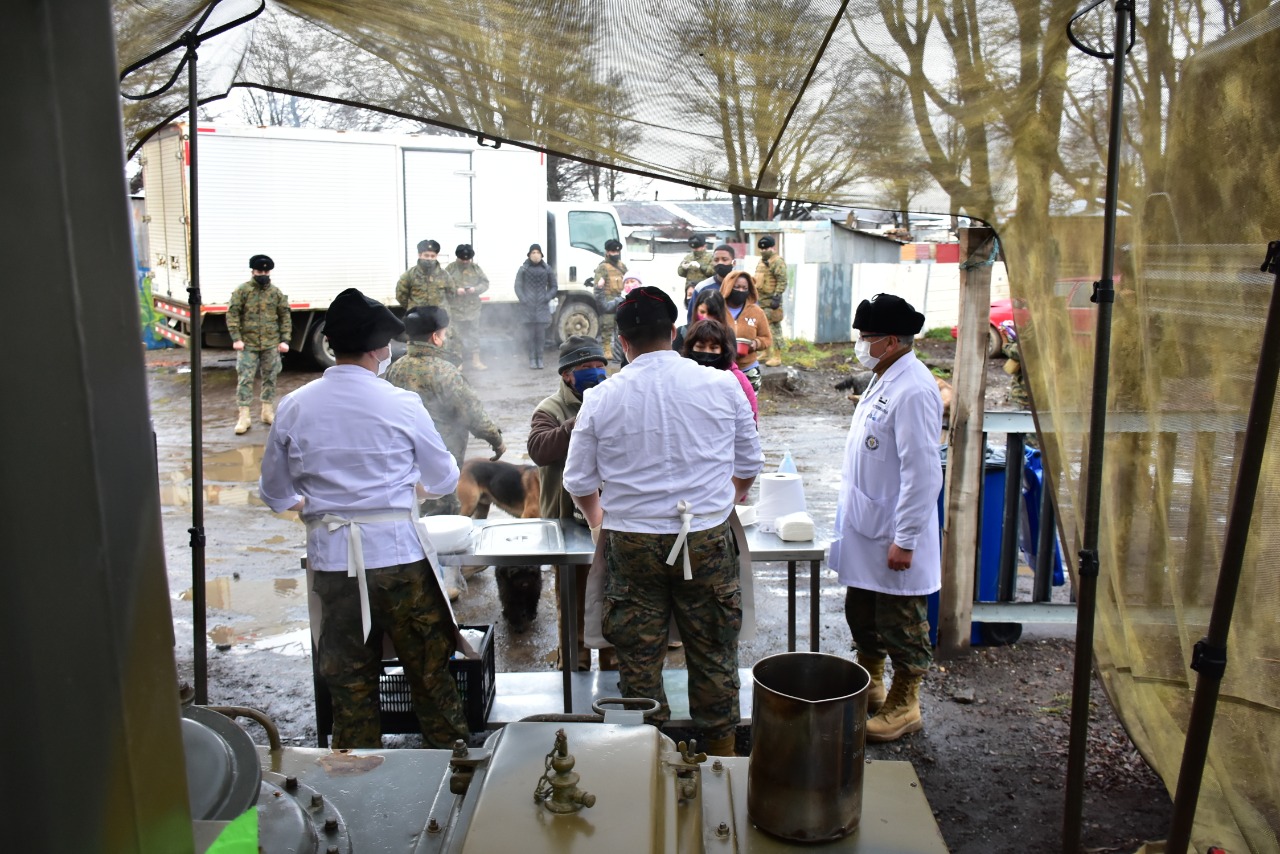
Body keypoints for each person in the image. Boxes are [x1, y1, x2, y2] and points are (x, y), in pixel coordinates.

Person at [258, 288, 470, 749]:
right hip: (399, 560)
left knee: (350, 686)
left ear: (332, 345)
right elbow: (445, 476)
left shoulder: (294, 405)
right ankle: (456, 779)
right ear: (379, 348)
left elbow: (275, 492)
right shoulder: (400, 403)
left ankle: (356, 790)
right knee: (430, 674)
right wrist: (410, 489)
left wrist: (317, 512)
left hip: (334, 564)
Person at [563, 286, 763, 756]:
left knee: (639, 656)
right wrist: (720, 503)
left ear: (621, 340)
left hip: (631, 541)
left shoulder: (603, 396)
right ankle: (720, 760)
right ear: (673, 332)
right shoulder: (721, 385)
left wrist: (598, 522)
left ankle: (646, 760)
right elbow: (749, 464)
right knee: (713, 653)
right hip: (706, 537)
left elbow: (578, 480)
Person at [829, 293, 943, 744]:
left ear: (891, 340)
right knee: (862, 609)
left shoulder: (914, 388)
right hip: (868, 525)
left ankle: (905, 702)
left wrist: (908, 537)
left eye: (867, 337)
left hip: (894, 531)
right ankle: (872, 682)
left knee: (901, 618)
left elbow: (922, 471)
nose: (861, 343)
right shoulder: (885, 376)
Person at [527, 335, 616, 672]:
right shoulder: (549, 409)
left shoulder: (613, 400)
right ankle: (573, 669)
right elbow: (539, 448)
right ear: (567, 375)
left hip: (607, 519)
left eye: (599, 366)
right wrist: (579, 423)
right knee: (574, 603)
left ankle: (612, 670)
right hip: (566, 522)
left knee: (610, 601)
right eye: (586, 367)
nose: (596, 372)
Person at [386, 305, 506, 518]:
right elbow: (473, 415)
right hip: (440, 466)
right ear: (435, 337)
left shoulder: (395, 368)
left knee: (411, 516)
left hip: (402, 465)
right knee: (442, 521)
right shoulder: (446, 372)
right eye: (444, 333)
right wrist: (497, 441)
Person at [227, 253, 292, 435]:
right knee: (245, 378)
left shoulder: (276, 293)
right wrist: (236, 338)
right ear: (253, 271)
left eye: (265, 270)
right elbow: (232, 314)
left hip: (271, 343)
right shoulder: (243, 291)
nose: (262, 273)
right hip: (248, 343)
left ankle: (267, 411)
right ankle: (244, 416)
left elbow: (285, 316)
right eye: (259, 270)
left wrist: (284, 339)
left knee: (271, 376)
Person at [680, 318, 758, 423]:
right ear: (690, 348)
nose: (707, 352)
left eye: (713, 348)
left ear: (723, 350)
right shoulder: (682, 377)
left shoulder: (736, 378)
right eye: (700, 347)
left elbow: (751, 414)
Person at [720, 270, 772, 392]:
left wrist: (756, 343)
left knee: (749, 407)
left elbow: (767, 338)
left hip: (748, 369)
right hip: (722, 369)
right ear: (728, 286)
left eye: (745, 288)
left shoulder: (757, 312)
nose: (741, 291)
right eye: (736, 287)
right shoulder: (717, 309)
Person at [445, 243, 490, 371]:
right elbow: (443, 286)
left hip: (472, 309)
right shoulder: (450, 269)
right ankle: (459, 363)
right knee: (456, 336)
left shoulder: (476, 268)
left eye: (467, 259)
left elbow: (485, 283)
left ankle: (476, 361)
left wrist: (475, 289)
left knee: (474, 335)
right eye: (462, 259)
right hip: (455, 309)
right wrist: (455, 290)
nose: (465, 261)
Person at [514, 243, 557, 369]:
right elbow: (517, 286)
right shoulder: (523, 269)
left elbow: (554, 286)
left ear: (541, 254)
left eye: (538, 252)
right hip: (528, 307)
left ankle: (540, 359)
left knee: (540, 336)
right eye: (533, 252)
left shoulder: (547, 269)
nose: (535, 255)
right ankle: (532, 359)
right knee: (530, 336)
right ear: (529, 255)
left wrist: (548, 296)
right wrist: (523, 298)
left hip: (542, 307)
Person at [754, 235, 789, 367]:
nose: (763, 251)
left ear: (772, 247)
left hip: (772, 302)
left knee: (774, 329)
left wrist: (777, 296)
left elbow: (782, 280)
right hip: (761, 301)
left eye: (766, 248)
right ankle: (766, 353)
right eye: (761, 249)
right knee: (763, 329)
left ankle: (777, 356)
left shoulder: (777, 261)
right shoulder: (761, 262)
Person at [592, 238, 628, 361]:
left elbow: (628, 279)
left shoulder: (622, 266)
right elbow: (598, 286)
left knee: (620, 327)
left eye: (617, 252)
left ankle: (619, 352)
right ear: (607, 252)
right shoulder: (602, 267)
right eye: (613, 252)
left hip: (620, 298)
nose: (616, 254)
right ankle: (606, 350)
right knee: (606, 327)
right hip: (607, 299)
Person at [396, 239, 456, 312]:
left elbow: (452, 294)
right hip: (417, 317)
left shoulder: (444, 275)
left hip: (439, 318)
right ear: (420, 255)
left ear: (436, 256)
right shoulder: (409, 275)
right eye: (426, 255)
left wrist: (443, 308)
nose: (429, 259)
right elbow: (401, 295)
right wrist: (412, 308)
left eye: (432, 256)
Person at [689, 244, 737, 314]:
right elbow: (692, 317)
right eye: (716, 260)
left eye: (724, 259)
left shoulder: (742, 286)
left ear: (734, 263)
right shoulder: (702, 287)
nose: (720, 263)